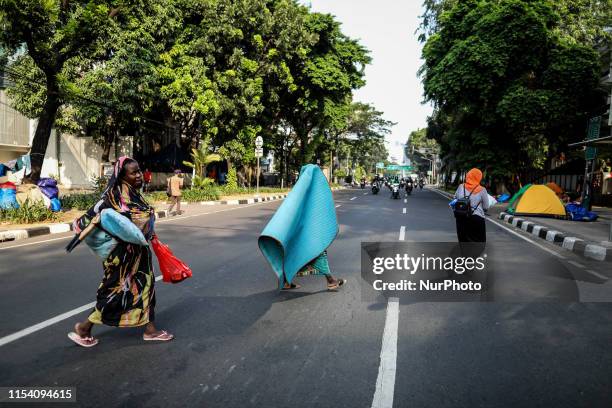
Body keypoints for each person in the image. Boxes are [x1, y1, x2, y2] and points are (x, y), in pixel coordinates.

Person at [67, 157, 173, 347]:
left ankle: (150, 330)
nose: (139, 175)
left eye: (139, 171)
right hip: (120, 257)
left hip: (139, 253)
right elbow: (89, 220)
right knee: (115, 292)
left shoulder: (134, 194)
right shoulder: (112, 197)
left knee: (146, 287)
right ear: (122, 176)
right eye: (134, 173)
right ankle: (84, 328)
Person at [259, 164, 346, 291]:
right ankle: (331, 280)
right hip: (306, 231)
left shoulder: (300, 190)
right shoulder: (309, 191)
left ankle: (286, 282)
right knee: (318, 251)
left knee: (293, 252)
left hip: (300, 231)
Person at [454, 168, 489, 243]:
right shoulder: (482, 190)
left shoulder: (461, 187)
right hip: (477, 218)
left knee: (463, 242)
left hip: (461, 217)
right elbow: (486, 207)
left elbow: (455, 200)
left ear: (468, 176)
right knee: (478, 242)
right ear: (479, 177)